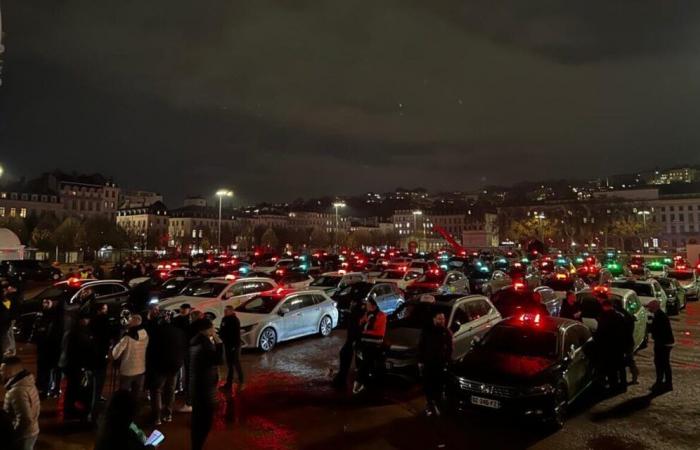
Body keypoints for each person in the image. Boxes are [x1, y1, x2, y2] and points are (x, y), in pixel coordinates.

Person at [146, 311, 185, 425]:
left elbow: (151, 350)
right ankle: (168, 414)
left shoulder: (155, 332)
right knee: (170, 390)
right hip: (174, 365)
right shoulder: (178, 331)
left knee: (156, 390)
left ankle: (157, 417)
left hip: (159, 366)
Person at [189, 318, 223, 450]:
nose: (214, 330)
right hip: (204, 390)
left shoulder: (195, 342)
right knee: (204, 423)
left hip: (198, 387)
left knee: (198, 422)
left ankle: (196, 446)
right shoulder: (205, 344)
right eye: (212, 328)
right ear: (206, 329)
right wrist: (218, 342)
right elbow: (219, 360)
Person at [63, 311, 98, 421]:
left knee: (73, 389)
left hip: (75, 366)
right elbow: (79, 351)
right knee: (75, 389)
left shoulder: (77, 332)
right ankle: (71, 411)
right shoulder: (79, 333)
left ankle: (71, 410)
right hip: (77, 366)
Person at [418, 311, 453, 416]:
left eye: (443, 319)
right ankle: (429, 404)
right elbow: (421, 346)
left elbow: (450, 348)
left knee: (439, 385)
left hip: (440, 364)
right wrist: (420, 361)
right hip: (428, 363)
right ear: (434, 319)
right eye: (439, 319)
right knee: (428, 385)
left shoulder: (446, 332)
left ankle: (437, 405)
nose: (442, 321)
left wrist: (447, 360)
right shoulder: (427, 331)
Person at [2, 356, 40, 450]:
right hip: (32, 430)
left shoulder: (17, 391)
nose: (0, 373)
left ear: (10, 371)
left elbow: (25, 419)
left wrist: (13, 435)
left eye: (2, 370)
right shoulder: (27, 382)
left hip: (23, 435)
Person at [353, 298, 387, 394]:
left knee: (367, 363)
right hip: (366, 343)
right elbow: (360, 323)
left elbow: (370, 327)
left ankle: (360, 382)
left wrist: (364, 326)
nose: (366, 307)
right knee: (366, 363)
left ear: (374, 306)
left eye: (368, 305)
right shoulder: (367, 314)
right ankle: (365, 383)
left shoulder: (381, 315)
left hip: (375, 343)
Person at [32, 299, 63, 399]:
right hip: (43, 347)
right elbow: (37, 331)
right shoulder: (41, 315)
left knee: (51, 370)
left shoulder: (55, 316)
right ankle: (44, 388)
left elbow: (54, 333)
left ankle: (49, 389)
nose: (44, 304)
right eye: (43, 302)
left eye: (47, 302)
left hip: (52, 348)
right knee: (44, 369)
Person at [594, 299, 626, 392]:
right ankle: (623, 386)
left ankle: (613, 386)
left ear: (605, 307)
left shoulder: (605, 317)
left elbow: (601, 332)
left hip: (608, 347)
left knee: (611, 368)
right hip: (619, 346)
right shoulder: (620, 316)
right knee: (620, 367)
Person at [332, 297, 365, 389]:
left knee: (347, 364)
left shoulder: (355, 315)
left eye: (352, 303)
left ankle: (342, 382)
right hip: (352, 343)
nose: (350, 304)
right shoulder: (357, 314)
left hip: (351, 343)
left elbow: (354, 330)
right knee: (352, 362)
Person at [112, 315, 149, 394]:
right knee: (136, 394)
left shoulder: (127, 337)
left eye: (130, 321)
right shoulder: (145, 334)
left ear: (133, 322)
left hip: (128, 369)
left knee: (124, 394)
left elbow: (116, 353)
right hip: (141, 368)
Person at [91, 303, 115, 403]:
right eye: (104, 309)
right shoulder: (103, 321)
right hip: (100, 353)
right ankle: (97, 395)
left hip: (97, 352)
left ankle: (95, 395)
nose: (106, 311)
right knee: (99, 376)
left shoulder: (94, 321)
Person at [648, 299, 674, 392]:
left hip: (662, 344)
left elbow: (657, 330)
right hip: (665, 343)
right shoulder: (660, 315)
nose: (649, 309)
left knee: (661, 363)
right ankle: (666, 383)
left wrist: (651, 328)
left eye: (650, 307)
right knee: (664, 364)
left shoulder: (659, 316)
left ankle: (662, 383)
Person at [613, 299, 639, 386]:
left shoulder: (620, 316)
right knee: (630, 361)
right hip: (628, 342)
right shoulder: (627, 314)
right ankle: (634, 377)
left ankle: (623, 378)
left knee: (624, 361)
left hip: (623, 342)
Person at [172, 304, 193, 411]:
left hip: (183, 347)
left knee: (183, 368)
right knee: (183, 368)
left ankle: (180, 388)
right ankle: (180, 388)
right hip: (183, 347)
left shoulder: (180, 320)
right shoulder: (186, 321)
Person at [219, 306, 244, 392]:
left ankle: (240, 380)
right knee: (230, 364)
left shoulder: (234, 320)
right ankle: (229, 383)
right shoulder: (225, 319)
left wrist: (234, 346)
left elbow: (235, 334)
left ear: (231, 311)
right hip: (227, 344)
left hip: (233, 345)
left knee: (235, 362)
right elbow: (222, 330)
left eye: (226, 311)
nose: (225, 312)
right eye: (224, 310)